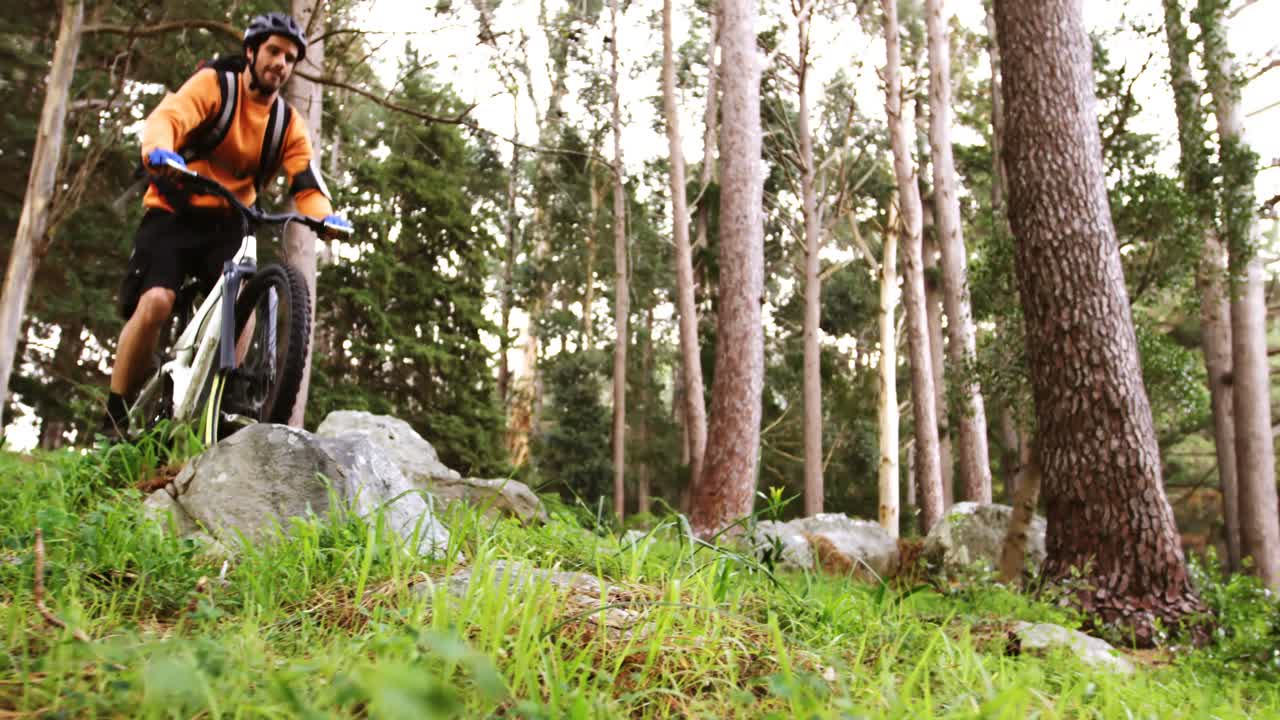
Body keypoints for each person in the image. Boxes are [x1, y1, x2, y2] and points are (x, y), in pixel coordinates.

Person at [99, 11, 350, 439]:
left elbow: (306, 179)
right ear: (251, 52)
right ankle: (115, 417)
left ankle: (224, 398)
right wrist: (161, 151)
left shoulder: (287, 123)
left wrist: (323, 217)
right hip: (175, 210)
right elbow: (170, 118)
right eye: (273, 51)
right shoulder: (217, 85)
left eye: (289, 58)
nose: (280, 63)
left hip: (231, 218)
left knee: (244, 295)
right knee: (157, 302)